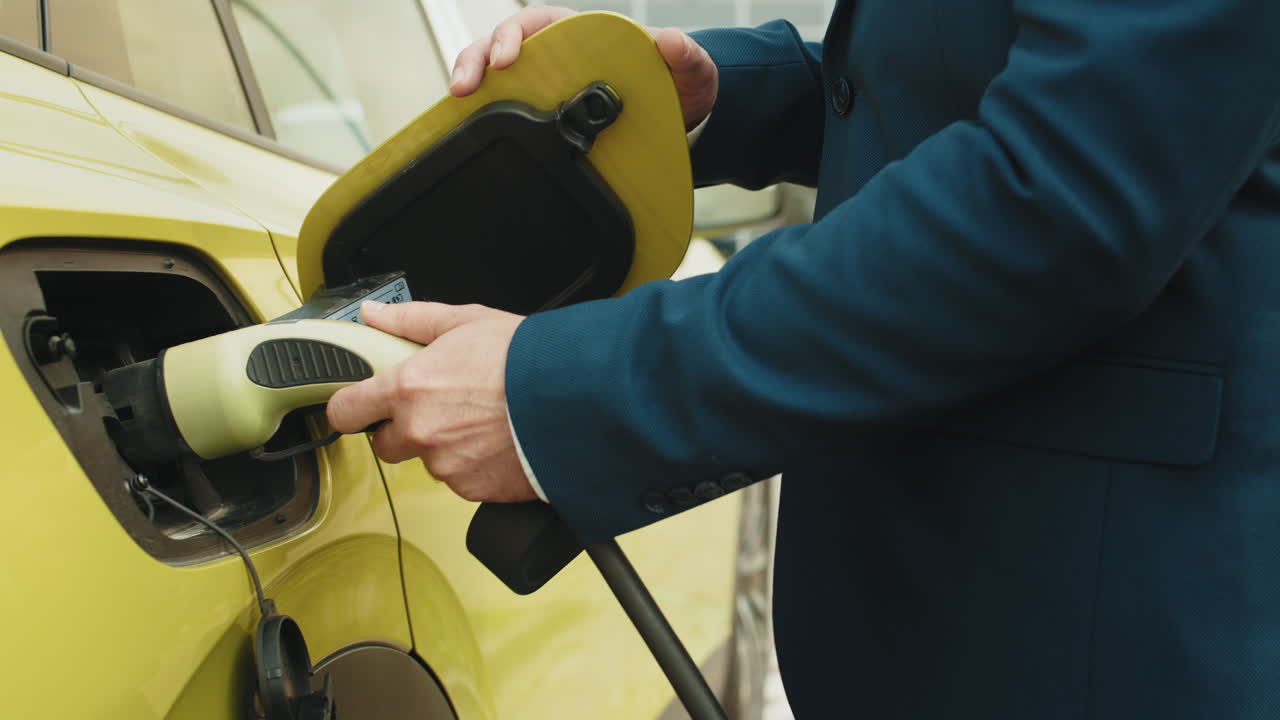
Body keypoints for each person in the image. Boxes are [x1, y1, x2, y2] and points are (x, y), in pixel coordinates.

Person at [328, 2, 1280, 716]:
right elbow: (973, 78)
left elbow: (1055, 203)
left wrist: (558, 396)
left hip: (1084, 641)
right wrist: (713, 96)